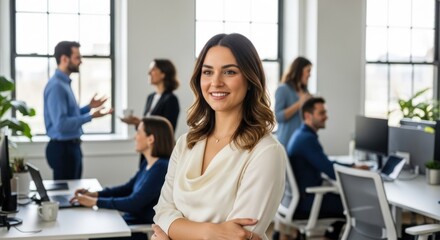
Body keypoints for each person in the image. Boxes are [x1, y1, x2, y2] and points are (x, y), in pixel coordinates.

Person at [151, 33, 287, 240]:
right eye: (207, 72)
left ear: (250, 79)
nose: (215, 82)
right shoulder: (186, 144)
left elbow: (239, 237)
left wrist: (173, 232)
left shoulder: (266, 152)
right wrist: (211, 232)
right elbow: (162, 213)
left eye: (229, 72)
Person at [71, 116, 174, 240]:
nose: (134, 137)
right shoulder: (148, 164)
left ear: (150, 139)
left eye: (138, 132)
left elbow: (133, 203)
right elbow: (127, 188)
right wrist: (95, 194)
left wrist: (95, 202)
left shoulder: (161, 168)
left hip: (138, 229)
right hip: (128, 223)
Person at [283, 97, 368, 240]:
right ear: (308, 116)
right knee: (356, 206)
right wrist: (355, 170)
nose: (326, 117)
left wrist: (352, 166)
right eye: (321, 113)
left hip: (297, 200)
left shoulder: (301, 134)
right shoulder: (307, 139)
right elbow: (330, 170)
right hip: (308, 203)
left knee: (347, 201)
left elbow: (324, 162)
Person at [44, 41, 113, 180]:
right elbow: (61, 124)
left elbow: (68, 115)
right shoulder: (57, 86)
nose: (81, 61)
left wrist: (89, 107)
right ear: (64, 59)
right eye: (77, 57)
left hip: (70, 147)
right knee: (66, 197)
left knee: (72, 193)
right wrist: (91, 116)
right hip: (63, 150)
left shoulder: (64, 83)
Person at [120, 59, 180, 131]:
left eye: (153, 69)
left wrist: (140, 122)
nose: (149, 73)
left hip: (161, 142)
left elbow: (168, 128)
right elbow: (148, 128)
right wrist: (137, 123)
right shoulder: (150, 97)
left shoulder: (171, 99)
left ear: (163, 74)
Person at [274, 57, 312, 147]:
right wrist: (299, 104)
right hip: (286, 143)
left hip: (302, 143)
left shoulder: (305, 92)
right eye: (308, 71)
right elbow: (278, 117)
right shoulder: (283, 89)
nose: (310, 75)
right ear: (299, 71)